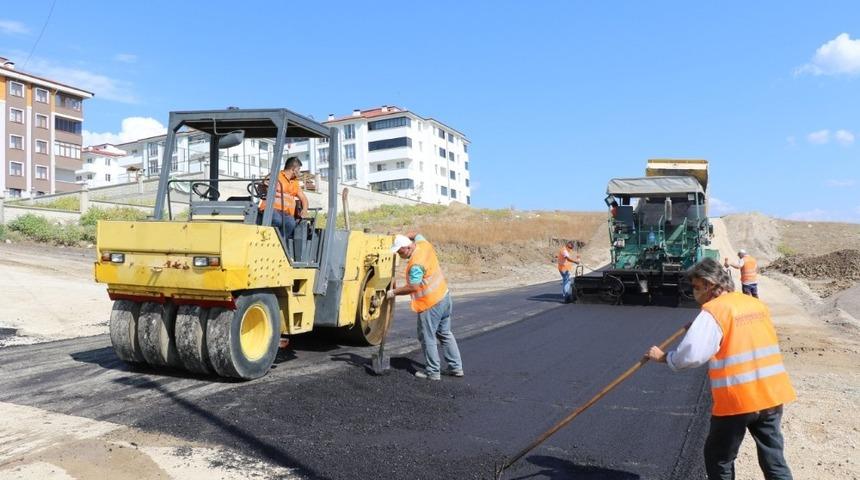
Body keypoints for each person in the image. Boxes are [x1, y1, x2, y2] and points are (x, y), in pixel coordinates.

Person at [646, 257, 795, 480]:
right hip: (772, 394)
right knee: (773, 458)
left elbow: (691, 355)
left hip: (738, 399)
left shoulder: (714, 311)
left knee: (719, 458)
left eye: (696, 287)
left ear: (709, 284)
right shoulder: (755, 304)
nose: (694, 293)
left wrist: (664, 357)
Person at [387, 232, 464, 381]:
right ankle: (456, 367)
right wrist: (404, 235)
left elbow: (413, 287)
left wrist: (393, 292)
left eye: (400, 251)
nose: (399, 254)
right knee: (445, 333)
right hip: (444, 296)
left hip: (431, 304)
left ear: (407, 247)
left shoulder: (416, 264)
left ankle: (433, 372)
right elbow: (417, 234)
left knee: (427, 337)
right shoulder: (424, 244)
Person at [258, 156, 308, 239]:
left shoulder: (295, 182)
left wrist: (304, 210)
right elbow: (263, 188)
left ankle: (280, 242)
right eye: (299, 169)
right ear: (294, 169)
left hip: (286, 213)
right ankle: (267, 239)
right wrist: (265, 186)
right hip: (271, 209)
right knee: (277, 220)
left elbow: (304, 198)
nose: (299, 172)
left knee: (291, 223)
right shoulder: (275, 176)